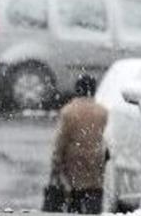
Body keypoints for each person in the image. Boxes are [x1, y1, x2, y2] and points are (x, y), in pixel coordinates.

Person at [47, 74, 109, 213]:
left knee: (75, 200)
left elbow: (60, 140)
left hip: (74, 163)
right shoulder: (102, 112)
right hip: (96, 162)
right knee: (94, 198)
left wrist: (55, 163)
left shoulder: (68, 112)